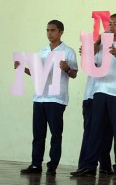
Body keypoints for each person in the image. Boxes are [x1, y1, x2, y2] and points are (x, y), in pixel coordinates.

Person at [72, 14, 116, 177]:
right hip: (100, 90)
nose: (112, 26)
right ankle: (89, 166)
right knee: (95, 129)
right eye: (110, 24)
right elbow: (92, 65)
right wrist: (90, 50)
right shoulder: (101, 44)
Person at [16, 20, 78, 175]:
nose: (49, 33)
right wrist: (23, 69)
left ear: (61, 32)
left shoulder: (68, 52)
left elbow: (74, 74)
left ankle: (52, 165)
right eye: (47, 30)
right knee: (38, 134)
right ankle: (36, 164)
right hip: (39, 97)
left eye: (53, 30)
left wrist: (67, 68)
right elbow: (38, 74)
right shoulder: (42, 51)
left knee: (56, 134)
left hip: (56, 98)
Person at [69, 75, 114, 176]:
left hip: (109, 94)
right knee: (90, 132)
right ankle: (86, 165)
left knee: (107, 130)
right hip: (91, 95)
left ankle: (105, 165)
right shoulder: (90, 58)